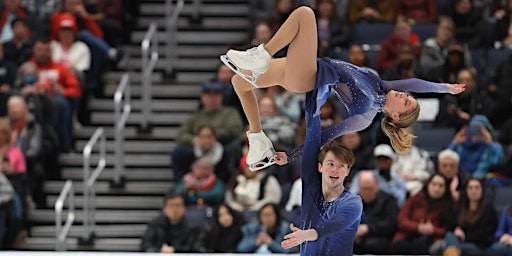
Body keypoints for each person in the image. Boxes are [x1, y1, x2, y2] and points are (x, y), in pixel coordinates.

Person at [222, 6, 465, 170]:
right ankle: (257, 138)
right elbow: (414, 83)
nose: (404, 95)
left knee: (305, 14)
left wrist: (291, 155)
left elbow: (326, 136)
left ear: (395, 115)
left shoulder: (365, 116)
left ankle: (262, 53)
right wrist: (444, 87)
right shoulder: (381, 86)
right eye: (409, 97)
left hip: (309, 77)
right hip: (306, 67)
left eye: (406, 102)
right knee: (239, 83)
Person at [279, 138, 362, 255]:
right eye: (330, 164)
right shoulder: (311, 192)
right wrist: (289, 157)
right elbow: (312, 138)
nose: (335, 170)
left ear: (347, 171)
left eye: (341, 165)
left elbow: (335, 225)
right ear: (320, 167)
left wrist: (306, 235)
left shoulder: (353, 202)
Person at [390, 173, 453, 255]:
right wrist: (418, 227)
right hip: (407, 235)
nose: (437, 189)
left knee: (421, 245)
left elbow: (447, 230)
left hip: (430, 239)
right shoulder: (414, 199)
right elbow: (401, 221)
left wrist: (432, 230)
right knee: (399, 246)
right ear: (428, 185)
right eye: (434, 184)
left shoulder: (448, 206)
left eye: (441, 186)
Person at [443, 178, 498, 256]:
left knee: (450, 247)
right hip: (458, 242)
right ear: (466, 190)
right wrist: (456, 232)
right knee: (449, 235)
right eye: (470, 188)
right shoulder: (460, 208)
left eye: (477, 187)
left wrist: (465, 236)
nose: (474, 191)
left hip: (479, 246)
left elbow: (485, 235)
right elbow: (450, 227)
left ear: (482, 190)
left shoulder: (488, 209)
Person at [353, 170, 399, 255]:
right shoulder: (353, 202)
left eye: (370, 188)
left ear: (377, 186)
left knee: (371, 245)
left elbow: (391, 224)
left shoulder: (388, 201)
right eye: (364, 189)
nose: (367, 192)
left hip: (379, 237)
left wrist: (368, 228)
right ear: (358, 188)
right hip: (356, 237)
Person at [448, 115, 504, 179]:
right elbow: (448, 160)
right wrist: (454, 144)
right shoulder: (462, 146)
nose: (475, 134)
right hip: (462, 180)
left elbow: (496, 163)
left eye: (479, 130)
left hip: (484, 181)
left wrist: (490, 144)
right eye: (473, 129)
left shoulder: (493, 147)